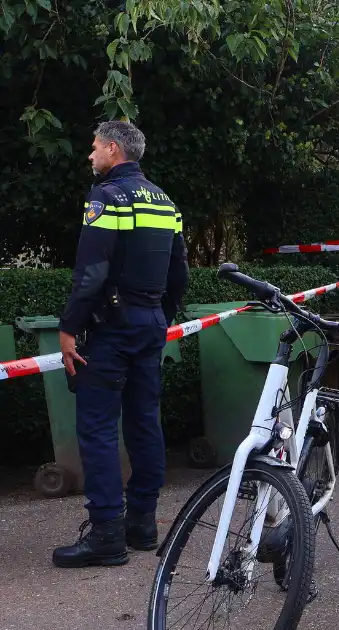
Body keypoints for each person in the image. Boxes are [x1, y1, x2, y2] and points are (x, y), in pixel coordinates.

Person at [52, 121, 189, 568]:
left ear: (113, 150)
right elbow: (178, 275)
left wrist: (69, 327)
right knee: (145, 421)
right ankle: (142, 525)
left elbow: (91, 271)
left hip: (110, 326)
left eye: (94, 149)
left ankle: (107, 534)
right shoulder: (166, 202)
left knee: (96, 428)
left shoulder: (106, 198)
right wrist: (159, 317)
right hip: (150, 322)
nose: (90, 157)